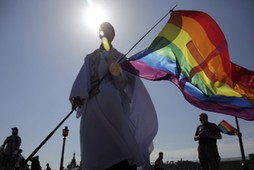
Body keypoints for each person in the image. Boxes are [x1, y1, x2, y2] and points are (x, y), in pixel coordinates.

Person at [69, 22, 158, 170]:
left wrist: (118, 73)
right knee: (93, 141)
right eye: (102, 30)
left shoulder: (120, 57)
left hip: (113, 103)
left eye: (108, 31)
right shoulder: (90, 58)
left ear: (113, 35)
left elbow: (128, 82)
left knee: (119, 139)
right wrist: (78, 97)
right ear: (99, 34)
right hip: (92, 105)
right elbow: (83, 78)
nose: (104, 33)